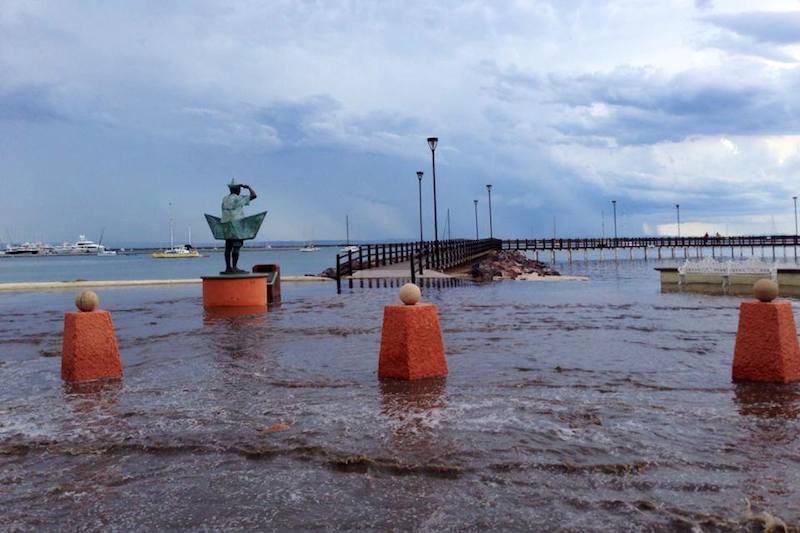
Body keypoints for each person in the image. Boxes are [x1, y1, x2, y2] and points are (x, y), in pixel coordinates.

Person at [221, 179, 257, 274]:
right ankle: (235, 267)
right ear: (236, 189)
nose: (240, 190)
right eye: (239, 188)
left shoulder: (225, 199)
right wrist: (248, 187)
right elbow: (254, 195)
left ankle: (228, 268)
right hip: (236, 227)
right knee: (236, 247)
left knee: (228, 248)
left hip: (226, 227)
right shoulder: (238, 198)